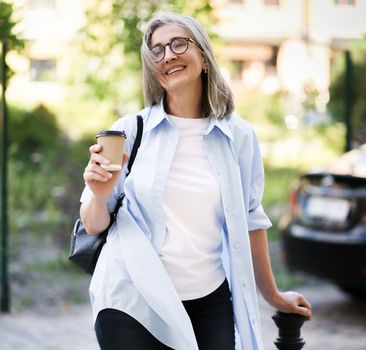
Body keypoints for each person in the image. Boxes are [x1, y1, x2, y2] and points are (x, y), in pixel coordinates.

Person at [80, 12, 312, 350]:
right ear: (153, 70)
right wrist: (99, 196)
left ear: (203, 57)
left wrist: (273, 295)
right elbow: (93, 225)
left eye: (178, 44)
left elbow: (250, 220)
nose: (168, 55)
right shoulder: (130, 131)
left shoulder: (239, 136)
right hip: (132, 297)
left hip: (207, 299)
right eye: (156, 50)